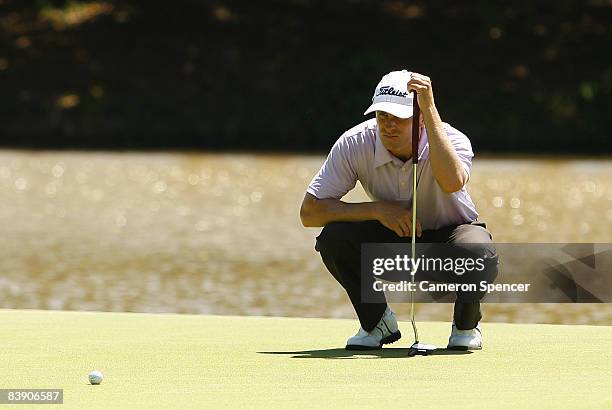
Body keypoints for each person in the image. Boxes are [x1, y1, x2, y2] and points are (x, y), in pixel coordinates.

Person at [300, 70, 498, 350]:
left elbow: (452, 181)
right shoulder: (356, 142)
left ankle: (465, 327)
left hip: (449, 245)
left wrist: (428, 108)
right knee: (335, 238)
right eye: (383, 116)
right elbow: (310, 213)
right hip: (394, 245)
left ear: (419, 121)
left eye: (400, 118)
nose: (388, 125)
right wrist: (378, 210)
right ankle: (377, 324)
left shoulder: (451, 139)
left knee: (477, 250)